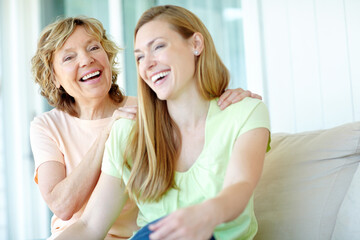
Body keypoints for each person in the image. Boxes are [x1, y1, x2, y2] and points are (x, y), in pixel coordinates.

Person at [30, 16, 258, 239]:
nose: (86, 60)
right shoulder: (48, 125)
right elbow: (64, 207)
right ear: (54, 77)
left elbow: (195, 114)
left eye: (93, 48)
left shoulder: (149, 111)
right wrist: (106, 134)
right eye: (69, 57)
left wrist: (230, 100)